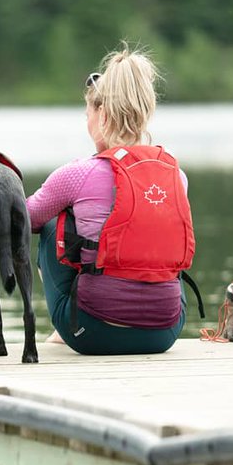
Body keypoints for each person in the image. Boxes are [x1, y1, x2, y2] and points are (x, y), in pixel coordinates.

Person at [25, 44, 199, 355]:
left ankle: (62, 331)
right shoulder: (176, 174)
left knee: (53, 225)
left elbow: (24, 218)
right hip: (165, 333)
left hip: (91, 333)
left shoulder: (77, 174)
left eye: (88, 113)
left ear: (102, 113)